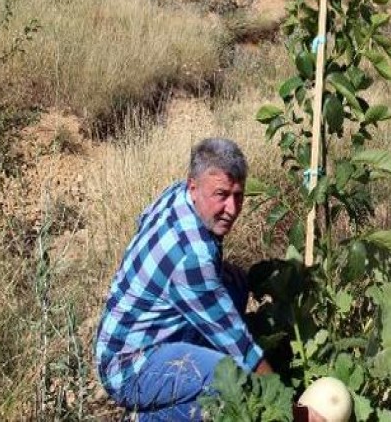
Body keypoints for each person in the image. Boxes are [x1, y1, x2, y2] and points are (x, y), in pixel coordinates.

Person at [94, 138, 273, 421]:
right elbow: (239, 346)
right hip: (130, 367)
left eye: (238, 195)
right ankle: (151, 415)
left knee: (235, 282)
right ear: (194, 186)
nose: (232, 208)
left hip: (133, 338)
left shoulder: (176, 195)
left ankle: (184, 380)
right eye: (221, 194)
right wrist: (290, 406)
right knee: (233, 382)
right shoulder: (191, 257)